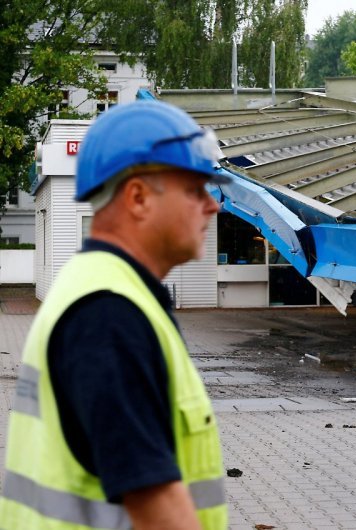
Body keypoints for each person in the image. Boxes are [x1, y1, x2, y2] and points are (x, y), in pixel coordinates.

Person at [0, 100, 230, 529]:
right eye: (195, 189)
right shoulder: (110, 316)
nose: (212, 205)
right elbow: (155, 503)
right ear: (139, 197)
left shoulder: (107, 295)